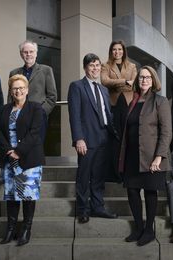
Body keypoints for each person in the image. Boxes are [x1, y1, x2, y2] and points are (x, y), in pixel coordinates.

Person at [119, 66, 172, 246]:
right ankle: (139, 228)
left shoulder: (160, 101)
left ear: (153, 80)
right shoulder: (132, 101)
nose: (144, 80)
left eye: (148, 77)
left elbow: (166, 132)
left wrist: (159, 157)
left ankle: (149, 230)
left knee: (150, 192)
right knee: (132, 191)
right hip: (132, 155)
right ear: (137, 80)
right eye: (141, 77)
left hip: (152, 157)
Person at [0, 74, 45, 246]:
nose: (18, 91)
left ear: (27, 90)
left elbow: (34, 132)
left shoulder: (36, 108)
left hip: (29, 158)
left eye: (21, 88)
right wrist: (9, 150)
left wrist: (19, 151)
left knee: (27, 195)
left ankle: (26, 229)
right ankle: (10, 230)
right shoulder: (4, 109)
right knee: (11, 196)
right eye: (15, 88)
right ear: (11, 90)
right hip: (9, 158)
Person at [68, 53, 118, 224]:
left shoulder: (103, 89)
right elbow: (74, 115)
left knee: (98, 176)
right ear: (85, 68)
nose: (95, 68)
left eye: (97, 65)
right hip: (87, 139)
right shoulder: (77, 87)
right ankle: (83, 210)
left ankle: (98, 207)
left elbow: (107, 114)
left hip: (104, 137)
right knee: (84, 176)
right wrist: (78, 139)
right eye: (92, 65)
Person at [9, 40, 57, 141]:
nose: (28, 54)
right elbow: (11, 96)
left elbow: (52, 96)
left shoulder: (46, 70)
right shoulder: (14, 73)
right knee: (19, 146)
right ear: (21, 54)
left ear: (36, 53)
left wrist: (41, 112)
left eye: (31, 51)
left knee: (36, 147)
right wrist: (12, 114)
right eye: (25, 52)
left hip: (38, 117)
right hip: (18, 117)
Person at [101, 40, 137, 134]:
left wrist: (114, 86)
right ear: (111, 51)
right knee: (115, 132)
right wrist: (124, 81)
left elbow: (134, 84)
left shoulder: (132, 66)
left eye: (120, 49)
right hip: (113, 104)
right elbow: (105, 81)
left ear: (124, 51)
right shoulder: (105, 66)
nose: (117, 52)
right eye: (114, 49)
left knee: (128, 131)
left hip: (129, 102)